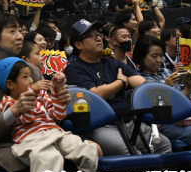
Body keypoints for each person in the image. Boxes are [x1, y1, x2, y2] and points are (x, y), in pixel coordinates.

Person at [0, 14, 70, 172]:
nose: (19, 36)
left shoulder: (32, 70)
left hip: (42, 137)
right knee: (49, 158)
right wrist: (14, 111)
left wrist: (59, 101)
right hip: (2, 146)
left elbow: (49, 119)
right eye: (12, 31)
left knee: (90, 149)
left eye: (20, 31)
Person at [0, 57, 100, 172]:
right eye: (25, 77)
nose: (31, 80)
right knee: (49, 160)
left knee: (87, 150)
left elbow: (57, 115)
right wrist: (34, 92)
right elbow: (26, 117)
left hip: (54, 132)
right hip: (32, 140)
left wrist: (57, 92)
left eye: (30, 76)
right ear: (10, 84)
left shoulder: (40, 94)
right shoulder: (7, 102)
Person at [64, 19, 172, 156]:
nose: (98, 38)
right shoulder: (74, 69)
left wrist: (162, 86)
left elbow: (141, 84)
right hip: (100, 125)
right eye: (91, 36)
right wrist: (120, 82)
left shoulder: (113, 63)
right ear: (78, 44)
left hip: (130, 121)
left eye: (99, 34)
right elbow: (95, 95)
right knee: (128, 151)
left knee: (163, 144)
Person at [132, 35, 191, 149]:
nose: (159, 60)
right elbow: (156, 113)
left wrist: (188, 87)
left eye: (161, 56)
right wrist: (166, 87)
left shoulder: (166, 72)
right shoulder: (138, 79)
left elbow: (182, 106)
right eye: (154, 56)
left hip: (182, 119)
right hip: (162, 125)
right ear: (141, 57)